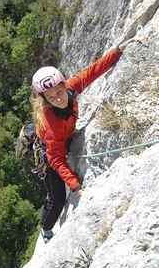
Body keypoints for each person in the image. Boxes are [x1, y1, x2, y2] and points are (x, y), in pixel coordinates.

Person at [30, 36, 149, 243]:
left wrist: (119, 50)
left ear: (64, 85)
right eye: (51, 97)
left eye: (59, 91)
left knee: (60, 193)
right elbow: (56, 159)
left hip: (63, 140)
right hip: (48, 154)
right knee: (57, 199)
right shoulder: (51, 124)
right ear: (45, 101)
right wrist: (76, 187)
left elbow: (93, 71)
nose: (59, 98)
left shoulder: (71, 89)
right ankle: (46, 229)